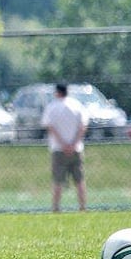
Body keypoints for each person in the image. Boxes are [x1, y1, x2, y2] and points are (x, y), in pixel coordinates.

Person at [41, 83, 89, 212]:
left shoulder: (52, 107)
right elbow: (83, 126)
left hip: (58, 149)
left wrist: (63, 144)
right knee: (79, 180)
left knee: (58, 180)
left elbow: (50, 127)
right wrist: (73, 144)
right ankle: (82, 207)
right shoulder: (77, 106)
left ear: (57, 92)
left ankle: (56, 208)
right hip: (76, 149)